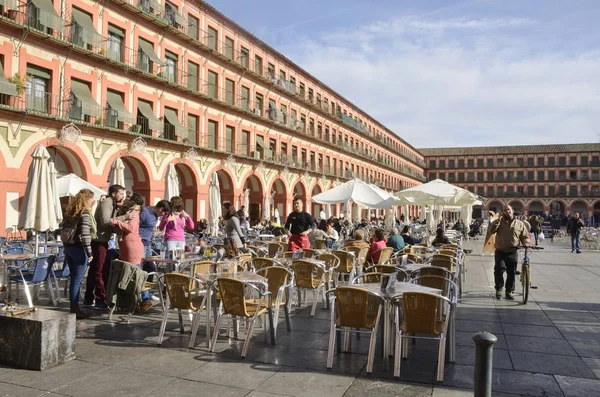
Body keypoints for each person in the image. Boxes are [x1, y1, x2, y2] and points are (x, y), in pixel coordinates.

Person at [84, 184, 125, 309]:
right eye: (121, 193)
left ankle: (89, 298)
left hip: (101, 240)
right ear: (114, 194)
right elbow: (106, 221)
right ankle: (100, 298)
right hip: (99, 241)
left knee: (93, 271)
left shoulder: (111, 204)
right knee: (99, 271)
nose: (123, 196)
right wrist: (125, 217)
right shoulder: (107, 202)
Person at [62, 189, 95, 319]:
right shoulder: (84, 213)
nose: (94, 201)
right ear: (87, 199)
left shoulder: (71, 213)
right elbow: (85, 235)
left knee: (73, 280)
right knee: (77, 280)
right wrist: (90, 252)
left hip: (68, 248)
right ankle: (75, 308)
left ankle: (74, 306)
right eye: (92, 199)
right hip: (78, 249)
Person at [485, 205, 530, 300]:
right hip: (500, 251)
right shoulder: (499, 222)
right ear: (503, 212)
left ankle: (510, 291)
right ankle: (499, 289)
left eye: (508, 209)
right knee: (498, 270)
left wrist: (526, 243)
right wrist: (497, 221)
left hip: (513, 251)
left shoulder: (519, 224)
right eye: (505, 210)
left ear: (512, 210)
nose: (507, 211)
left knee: (511, 273)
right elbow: (491, 231)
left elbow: (525, 236)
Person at [139, 199, 170, 272]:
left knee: (150, 268)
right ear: (161, 209)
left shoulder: (156, 216)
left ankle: (149, 283)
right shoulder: (145, 212)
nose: (164, 216)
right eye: (165, 213)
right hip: (141, 242)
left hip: (148, 243)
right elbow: (136, 225)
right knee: (140, 266)